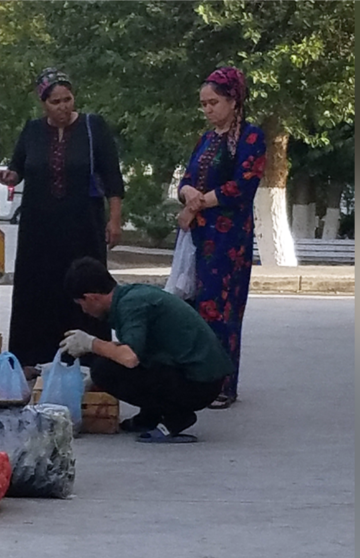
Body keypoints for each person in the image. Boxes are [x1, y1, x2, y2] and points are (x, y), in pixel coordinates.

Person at [0, 67, 125, 376]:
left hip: (83, 225)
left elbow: (113, 178)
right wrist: (9, 177)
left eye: (68, 99)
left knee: (85, 287)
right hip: (39, 228)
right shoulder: (32, 130)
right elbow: (18, 169)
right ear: (43, 103)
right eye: (56, 101)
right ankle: (29, 359)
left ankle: (91, 358)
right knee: (36, 288)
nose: (64, 106)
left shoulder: (94, 127)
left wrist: (115, 220)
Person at [59, 257, 234, 443]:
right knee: (114, 364)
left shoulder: (131, 306)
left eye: (82, 304)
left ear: (92, 297)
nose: (84, 311)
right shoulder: (131, 296)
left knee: (104, 370)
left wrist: (91, 343)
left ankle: (176, 417)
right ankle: (150, 417)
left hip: (200, 384)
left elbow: (129, 358)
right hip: (197, 375)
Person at [176, 66, 267, 410]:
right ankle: (198, 378)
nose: (208, 109)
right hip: (199, 232)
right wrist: (189, 196)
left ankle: (223, 383)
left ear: (233, 100)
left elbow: (242, 186)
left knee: (221, 308)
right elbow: (186, 178)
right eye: (203, 104)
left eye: (213, 102)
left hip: (229, 238)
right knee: (195, 306)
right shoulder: (207, 139)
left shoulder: (250, 138)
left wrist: (199, 201)